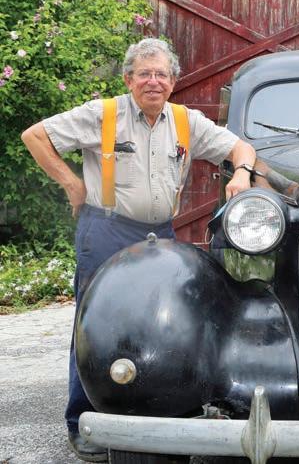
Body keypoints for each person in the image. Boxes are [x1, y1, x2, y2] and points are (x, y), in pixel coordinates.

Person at [21, 38, 256, 462]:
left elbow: (241, 148)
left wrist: (241, 173)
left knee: (166, 320)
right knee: (95, 326)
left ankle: (162, 409)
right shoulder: (103, 115)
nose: (153, 81)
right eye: (144, 74)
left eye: (161, 74)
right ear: (129, 79)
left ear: (173, 81)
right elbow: (35, 136)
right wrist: (72, 184)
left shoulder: (185, 121)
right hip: (106, 231)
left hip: (159, 234)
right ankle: (82, 423)